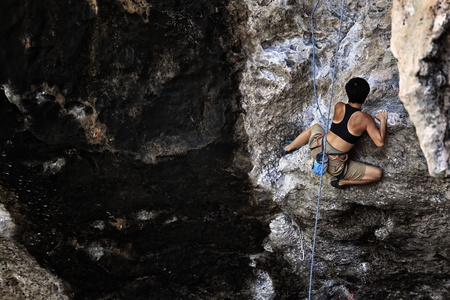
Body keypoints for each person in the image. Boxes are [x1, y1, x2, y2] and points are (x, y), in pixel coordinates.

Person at [283, 77, 388, 189]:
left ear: (347, 94)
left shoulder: (339, 106)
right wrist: (383, 121)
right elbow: (380, 142)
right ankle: (343, 182)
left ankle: (288, 148)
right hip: (334, 165)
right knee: (377, 174)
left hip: (317, 147)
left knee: (315, 127)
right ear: (365, 96)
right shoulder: (365, 119)